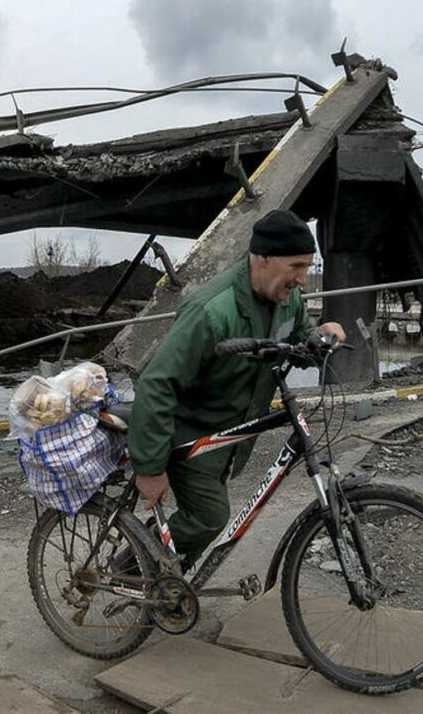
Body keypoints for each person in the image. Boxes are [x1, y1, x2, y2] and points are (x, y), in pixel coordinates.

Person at [128, 210, 346, 568]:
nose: (303, 280)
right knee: (209, 517)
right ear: (263, 258)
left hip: (228, 435)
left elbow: (296, 337)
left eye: (307, 267)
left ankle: (169, 588)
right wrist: (149, 468)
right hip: (189, 434)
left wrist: (319, 339)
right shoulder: (212, 311)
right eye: (297, 266)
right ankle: (129, 567)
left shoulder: (284, 299)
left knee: (202, 525)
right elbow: (157, 383)